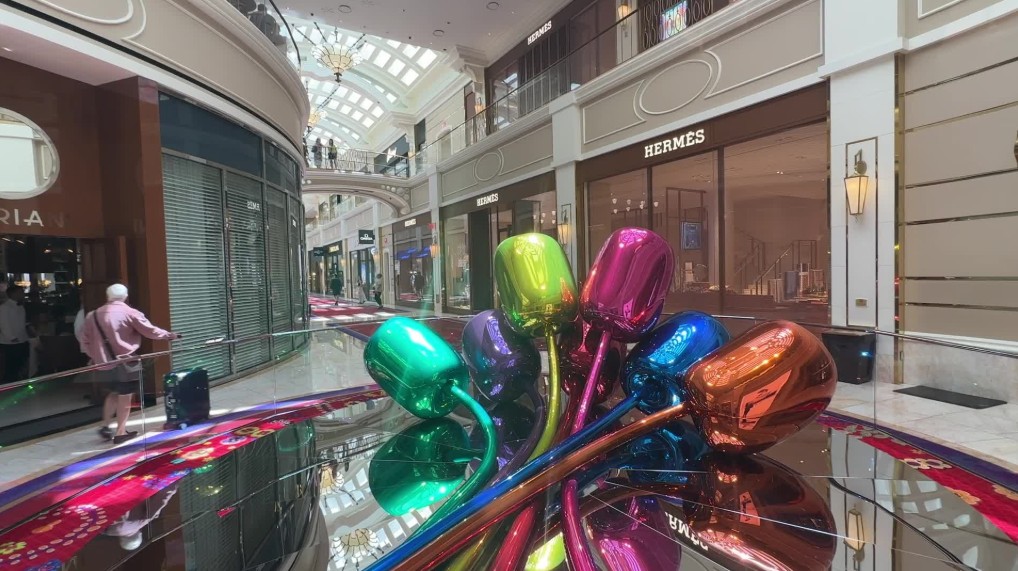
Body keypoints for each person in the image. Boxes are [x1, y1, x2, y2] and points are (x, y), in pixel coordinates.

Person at [81, 284, 180, 444]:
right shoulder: (129, 312)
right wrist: (168, 335)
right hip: (126, 362)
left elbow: (84, 340)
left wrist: (95, 355)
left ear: (108, 296)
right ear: (125, 296)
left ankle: (106, 426)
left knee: (113, 393)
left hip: (103, 364)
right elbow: (149, 330)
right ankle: (121, 432)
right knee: (125, 398)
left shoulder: (92, 315)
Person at [0, 287, 31, 384]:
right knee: (12, 363)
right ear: (13, 294)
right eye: (21, 292)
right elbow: (4, 324)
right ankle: (9, 382)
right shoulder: (4, 307)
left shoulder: (20, 306)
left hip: (22, 338)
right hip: (10, 341)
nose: (23, 294)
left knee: (21, 361)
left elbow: (21, 322)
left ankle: (18, 380)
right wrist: (12, 338)